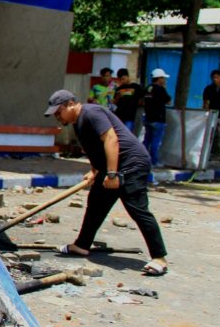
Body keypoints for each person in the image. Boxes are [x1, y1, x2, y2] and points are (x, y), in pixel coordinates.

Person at [45, 89, 169, 276]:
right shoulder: (78, 122)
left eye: (58, 111)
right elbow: (95, 148)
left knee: (137, 208)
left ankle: (159, 258)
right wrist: (95, 171)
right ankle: (81, 245)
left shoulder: (91, 113)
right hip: (112, 167)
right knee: (95, 204)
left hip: (131, 164)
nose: (56, 116)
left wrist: (112, 175)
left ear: (70, 104)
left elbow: (111, 139)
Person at [142, 68, 172, 167]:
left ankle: (143, 160)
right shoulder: (160, 89)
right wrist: (164, 88)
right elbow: (168, 101)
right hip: (158, 119)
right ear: (159, 78)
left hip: (148, 118)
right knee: (156, 142)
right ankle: (154, 161)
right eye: (163, 78)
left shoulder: (148, 88)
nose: (164, 80)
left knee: (147, 141)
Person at [113, 68, 144, 135]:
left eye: (123, 78)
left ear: (127, 76)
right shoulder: (119, 89)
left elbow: (142, 100)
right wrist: (118, 98)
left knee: (127, 135)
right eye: (120, 79)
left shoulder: (136, 87)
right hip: (119, 115)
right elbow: (114, 102)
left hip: (130, 116)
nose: (122, 81)